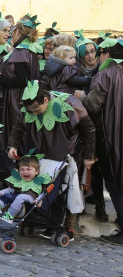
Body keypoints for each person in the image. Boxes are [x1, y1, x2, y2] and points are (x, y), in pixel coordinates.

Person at [7, 80, 96, 240]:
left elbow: (88, 128)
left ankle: (67, 226)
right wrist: (12, 146)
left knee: (65, 190)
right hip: (39, 158)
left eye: (37, 109)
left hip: (64, 157)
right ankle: (41, 220)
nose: (33, 113)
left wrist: (89, 156)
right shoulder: (29, 108)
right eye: (30, 111)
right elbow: (18, 128)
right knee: (38, 188)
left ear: (46, 100)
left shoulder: (69, 103)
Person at [75, 38, 123, 244]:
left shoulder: (106, 74)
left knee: (115, 181)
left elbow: (93, 106)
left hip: (113, 137)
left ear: (106, 55)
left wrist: (82, 96)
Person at [0, 18, 41, 143]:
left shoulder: (20, 51)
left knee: (17, 132)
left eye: (12, 31)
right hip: (26, 96)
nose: (11, 34)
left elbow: (21, 80)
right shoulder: (30, 49)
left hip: (17, 99)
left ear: (18, 32)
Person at [0, 154, 51, 222]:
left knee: (20, 197)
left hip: (29, 199)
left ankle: (10, 215)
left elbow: (43, 192)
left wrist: (38, 200)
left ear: (36, 172)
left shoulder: (38, 181)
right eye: (22, 169)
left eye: (28, 169)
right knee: (7, 196)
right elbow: (11, 189)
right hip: (16, 197)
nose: (25, 172)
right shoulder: (20, 180)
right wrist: (1, 192)